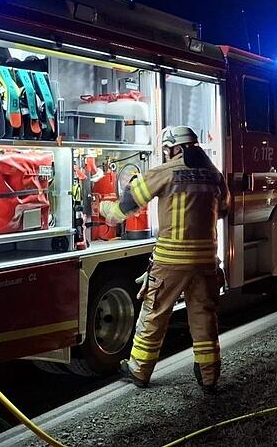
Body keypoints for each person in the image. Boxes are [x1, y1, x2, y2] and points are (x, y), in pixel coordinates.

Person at [100, 126, 231, 394]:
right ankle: (209, 376)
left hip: (171, 260)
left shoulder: (166, 172)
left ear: (177, 148)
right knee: (203, 316)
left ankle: (139, 370)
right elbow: (224, 210)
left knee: (154, 314)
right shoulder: (214, 175)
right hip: (206, 262)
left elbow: (128, 204)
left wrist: (105, 210)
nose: (167, 155)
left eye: (168, 150)